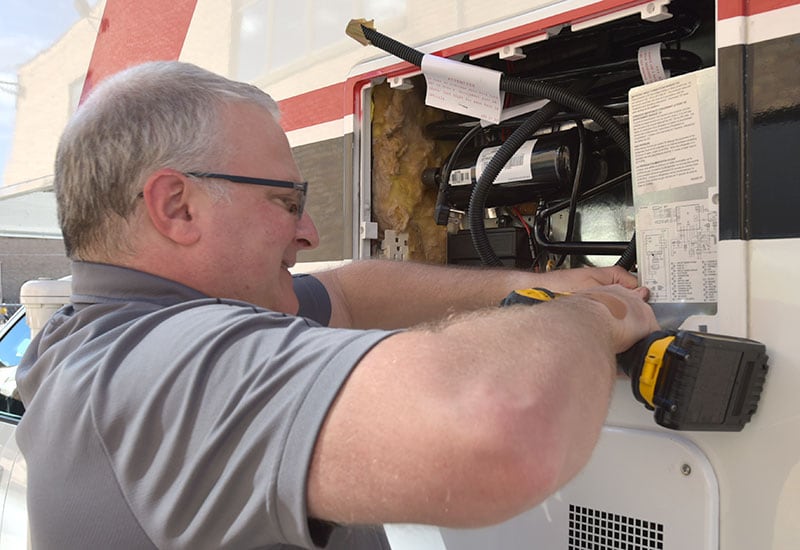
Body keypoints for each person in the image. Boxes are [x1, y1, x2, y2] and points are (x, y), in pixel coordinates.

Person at [15, 61, 659, 549]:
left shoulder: (95, 341)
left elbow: (348, 290)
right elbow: (498, 426)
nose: (309, 233)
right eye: (286, 202)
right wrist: (595, 319)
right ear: (177, 207)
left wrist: (531, 288)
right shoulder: (162, 370)